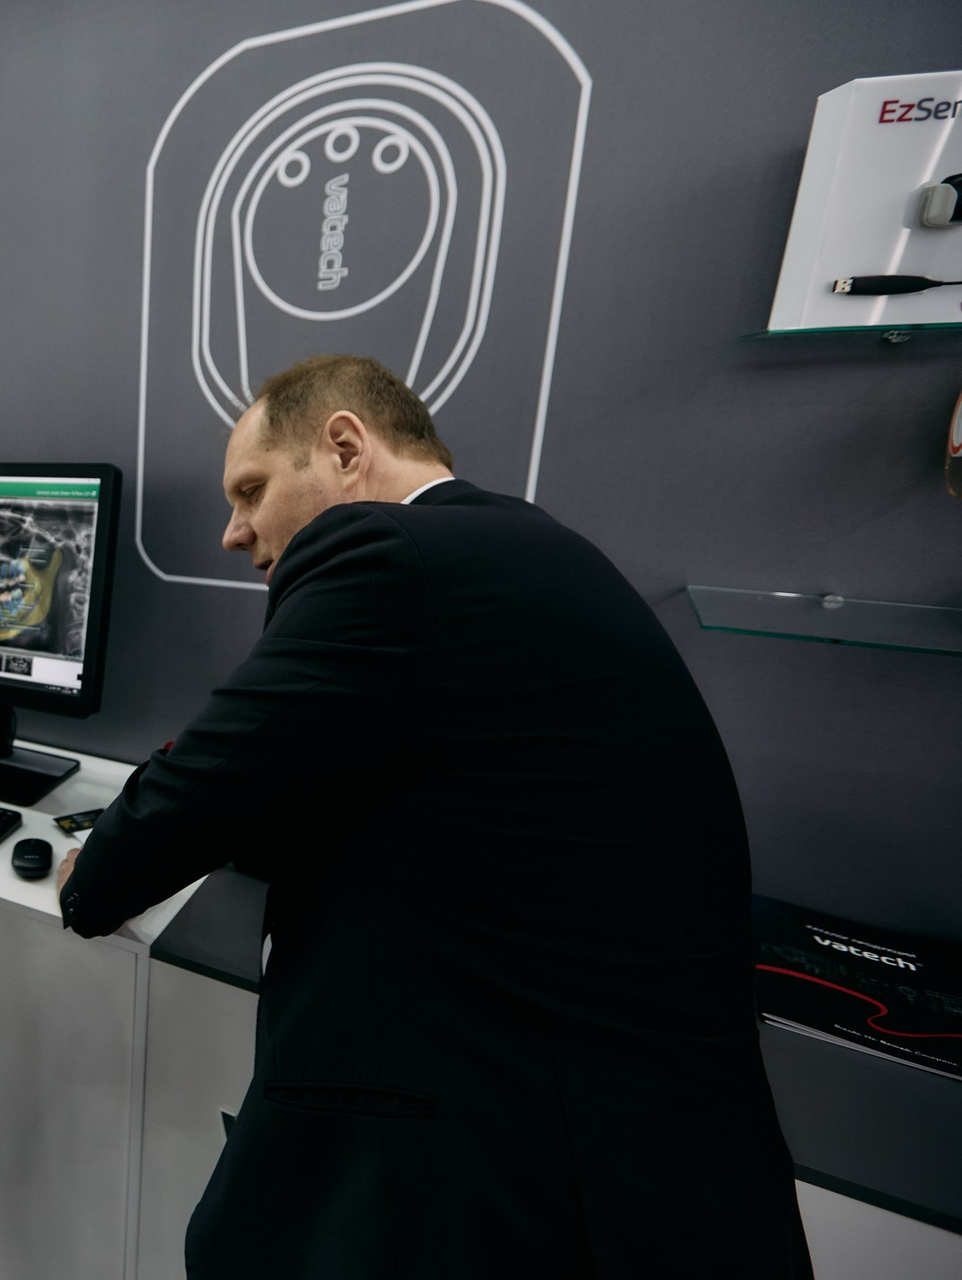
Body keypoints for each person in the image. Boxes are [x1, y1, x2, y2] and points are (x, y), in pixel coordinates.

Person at [56, 355, 811, 1279]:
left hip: (531, 1179)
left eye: (252, 490)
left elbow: (215, 774)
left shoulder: (386, 554)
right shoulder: (509, 548)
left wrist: (94, 873)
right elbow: (317, 773)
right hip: (654, 1165)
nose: (233, 531)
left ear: (345, 449)